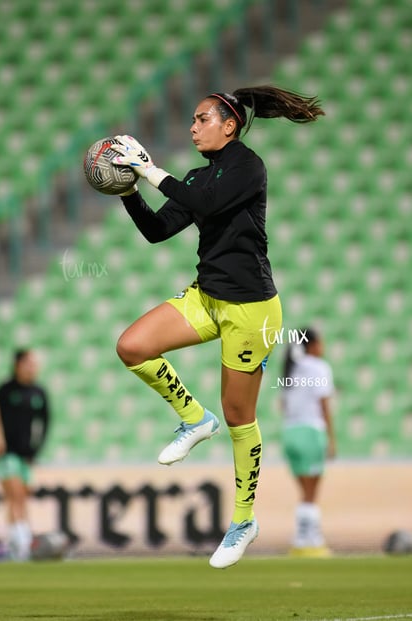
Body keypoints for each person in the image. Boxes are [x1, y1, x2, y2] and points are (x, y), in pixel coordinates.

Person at [110, 85, 325, 568]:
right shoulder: (195, 178)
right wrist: (128, 191)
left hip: (251, 310)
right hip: (206, 297)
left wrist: (148, 170)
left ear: (229, 125)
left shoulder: (248, 166)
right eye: (191, 120)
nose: (192, 127)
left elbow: (205, 205)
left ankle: (244, 520)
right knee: (132, 346)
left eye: (201, 119)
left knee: (239, 417)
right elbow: (157, 230)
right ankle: (192, 418)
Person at [280, 327, 336, 557]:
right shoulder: (319, 367)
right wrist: (331, 437)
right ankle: (308, 540)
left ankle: (303, 539)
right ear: (312, 345)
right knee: (312, 493)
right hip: (311, 431)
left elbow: (283, 405)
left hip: (290, 433)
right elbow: (324, 404)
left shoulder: (290, 369)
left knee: (305, 492)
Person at [0, 349, 50, 560]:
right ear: (18, 365)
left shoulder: (38, 392)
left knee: (20, 497)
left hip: (26, 455)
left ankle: (13, 542)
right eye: (29, 363)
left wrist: (36, 448)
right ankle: (24, 543)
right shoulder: (6, 389)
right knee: (16, 495)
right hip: (7, 453)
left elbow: (45, 421)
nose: (32, 368)